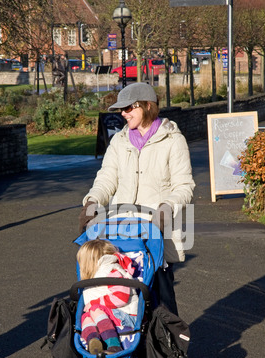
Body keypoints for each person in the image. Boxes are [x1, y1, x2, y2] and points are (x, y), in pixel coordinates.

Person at [79, 82, 195, 315]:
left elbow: (184, 186)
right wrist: (92, 201)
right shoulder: (119, 142)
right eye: (122, 109)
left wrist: (167, 207)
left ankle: (168, 347)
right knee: (120, 294)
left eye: (129, 108)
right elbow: (106, 179)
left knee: (162, 300)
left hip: (156, 233)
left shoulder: (173, 140)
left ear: (147, 106)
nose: (124, 113)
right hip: (120, 231)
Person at [77, 239, 139, 354]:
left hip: (126, 316)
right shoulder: (97, 274)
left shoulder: (110, 270)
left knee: (95, 309)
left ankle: (114, 345)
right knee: (85, 317)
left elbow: (121, 297)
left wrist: (95, 303)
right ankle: (94, 343)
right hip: (113, 314)